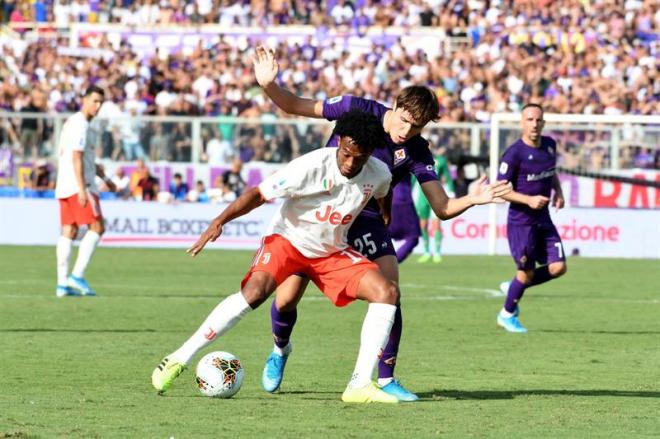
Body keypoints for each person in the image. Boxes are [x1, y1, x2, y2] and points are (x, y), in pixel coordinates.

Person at [252, 46, 511, 401]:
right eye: (404, 120)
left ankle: (386, 378)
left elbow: (442, 207)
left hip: (366, 218)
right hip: (319, 213)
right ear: (395, 105)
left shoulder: (418, 149)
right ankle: (280, 349)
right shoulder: (357, 109)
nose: (407, 131)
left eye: (416, 126)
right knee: (287, 298)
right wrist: (269, 85)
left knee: (391, 292)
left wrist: (473, 198)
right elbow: (297, 105)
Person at [152, 110, 402, 403]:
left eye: (357, 158)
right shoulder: (309, 166)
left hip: (330, 251)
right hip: (288, 241)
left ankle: (359, 384)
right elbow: (259, 194)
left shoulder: (379, 171)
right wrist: (219, 221)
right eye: (345, 153)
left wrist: (386, 213)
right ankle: (178, 358)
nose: (349, 163)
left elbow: (383, 191)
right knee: (256, 293)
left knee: (387, 292)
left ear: (370, 153)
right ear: (339, 143)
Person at [496, 103, 567, 333]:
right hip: (521, 222)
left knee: (558, 267)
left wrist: (558, 191)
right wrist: (528, 200)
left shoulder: (549, 145)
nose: (534, 124)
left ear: (543, 123)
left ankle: (515, 286)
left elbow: (551, 171)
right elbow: (500, 190)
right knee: (525, 272)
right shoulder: (514, 154)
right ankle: (506, 315)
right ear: (522, 123)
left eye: (538, 120)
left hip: (543, 218)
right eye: (529, 120)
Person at [54, 86, 112, 297]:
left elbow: (86, 158)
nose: (97, 106)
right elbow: (76, 157)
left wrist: (106, 179)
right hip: (80, 185)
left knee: (68, 231)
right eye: (94, 101)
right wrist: (81, 189)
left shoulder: (74, 122)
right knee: (97, 227)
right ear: (84, 100)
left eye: (100, 102)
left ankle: (62, 284)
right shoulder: (81, 124)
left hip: (64, 184)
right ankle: (77, 275)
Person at [414, 150, 455, 263]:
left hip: (436, 195)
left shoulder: (441, 161)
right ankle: (426, 252)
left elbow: (447, 176)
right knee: (423, 225)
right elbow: (413, 178)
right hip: (422, 197)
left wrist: (451, 190)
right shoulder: (417, 159)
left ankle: (437, 252)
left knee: (436, 224)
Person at [387, 177, 420, 263]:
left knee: (381, 237)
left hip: (382, 201)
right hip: (402, 201)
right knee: (413, 238)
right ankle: (389, 266)